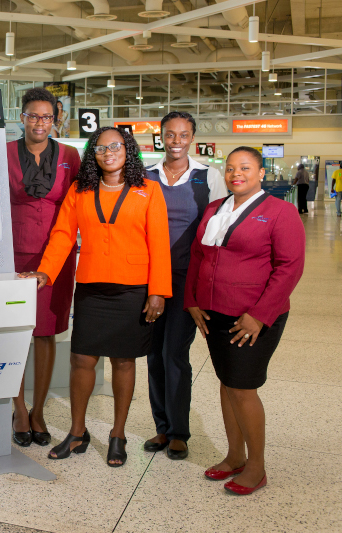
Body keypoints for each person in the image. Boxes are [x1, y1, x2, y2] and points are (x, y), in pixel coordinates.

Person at [20, 127, 171, 467]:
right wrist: (46, 271)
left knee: (123, 361)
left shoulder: (149, 191)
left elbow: (159, 243)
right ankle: (77, 432)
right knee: (81, 360)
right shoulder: (80, 190)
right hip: (91, 286)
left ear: (128, 150)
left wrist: (159, 290)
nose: (108, 152)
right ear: (94, 155)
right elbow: (61, 235)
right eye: (101, 148)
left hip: (133, 288)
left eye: (115, 146)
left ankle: (117, 434)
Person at [186, 146, 304, 495]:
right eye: (232, 168)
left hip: (252, 316)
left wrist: (260, 316)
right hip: (214, 312)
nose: (237, 174)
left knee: (242, 387)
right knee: (227, 381)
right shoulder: (214, 209)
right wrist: (192, 300)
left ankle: (256, 466)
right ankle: (234, 455)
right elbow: (197, 256)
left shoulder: (280, 212)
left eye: (246, 168)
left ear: (261, 173)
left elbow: (289, 269)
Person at [143, 112, 227, 460]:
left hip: (186, 278)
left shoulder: (208, 176)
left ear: (192, 137)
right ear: (160, 137)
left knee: (174, 353)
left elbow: (220, 228)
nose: (176, 140)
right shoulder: (145, 176)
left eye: (183, 135)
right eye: (170, 134)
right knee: (152, 354)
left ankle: (179, 431)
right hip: (148, 279)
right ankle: (161, 427)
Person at [8, 87, 81, 448]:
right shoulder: (4, 153)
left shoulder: (70, 155)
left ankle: (39, 409)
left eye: (47, 117)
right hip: (14, 256)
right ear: (22, 118)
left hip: (56, 256)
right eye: (33, 116)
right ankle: (19, 407)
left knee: (46, 333)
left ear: (56, 120)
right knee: (17, 332)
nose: (40, 123)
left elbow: (80, 204)